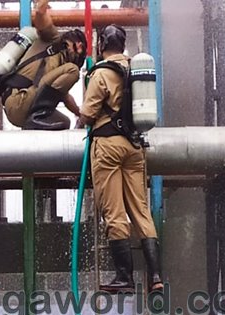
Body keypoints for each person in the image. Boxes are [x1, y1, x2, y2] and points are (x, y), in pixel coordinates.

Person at [77, 24, 163, 294]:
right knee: (141, 210)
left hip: (108, 147)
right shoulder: (136, 70)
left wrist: (79, 121)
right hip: (135, 147)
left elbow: (88, 113)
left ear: (102, 44)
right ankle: (155, 276)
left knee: (114, 212)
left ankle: (124, 277)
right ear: (123, 45)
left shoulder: (101, 73)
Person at [0, 0, 87, 130]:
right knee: (73, 70)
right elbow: (40, 17)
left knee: (64, 122)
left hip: (26, 107)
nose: (78, 52)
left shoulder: (58, 77)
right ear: (76, 43)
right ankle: (37, 118)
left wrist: (80, 115)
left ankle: (35, 121)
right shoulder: (52, 40)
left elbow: (66, 98)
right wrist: (41, 7)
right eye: (79, 48)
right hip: (18, 101)